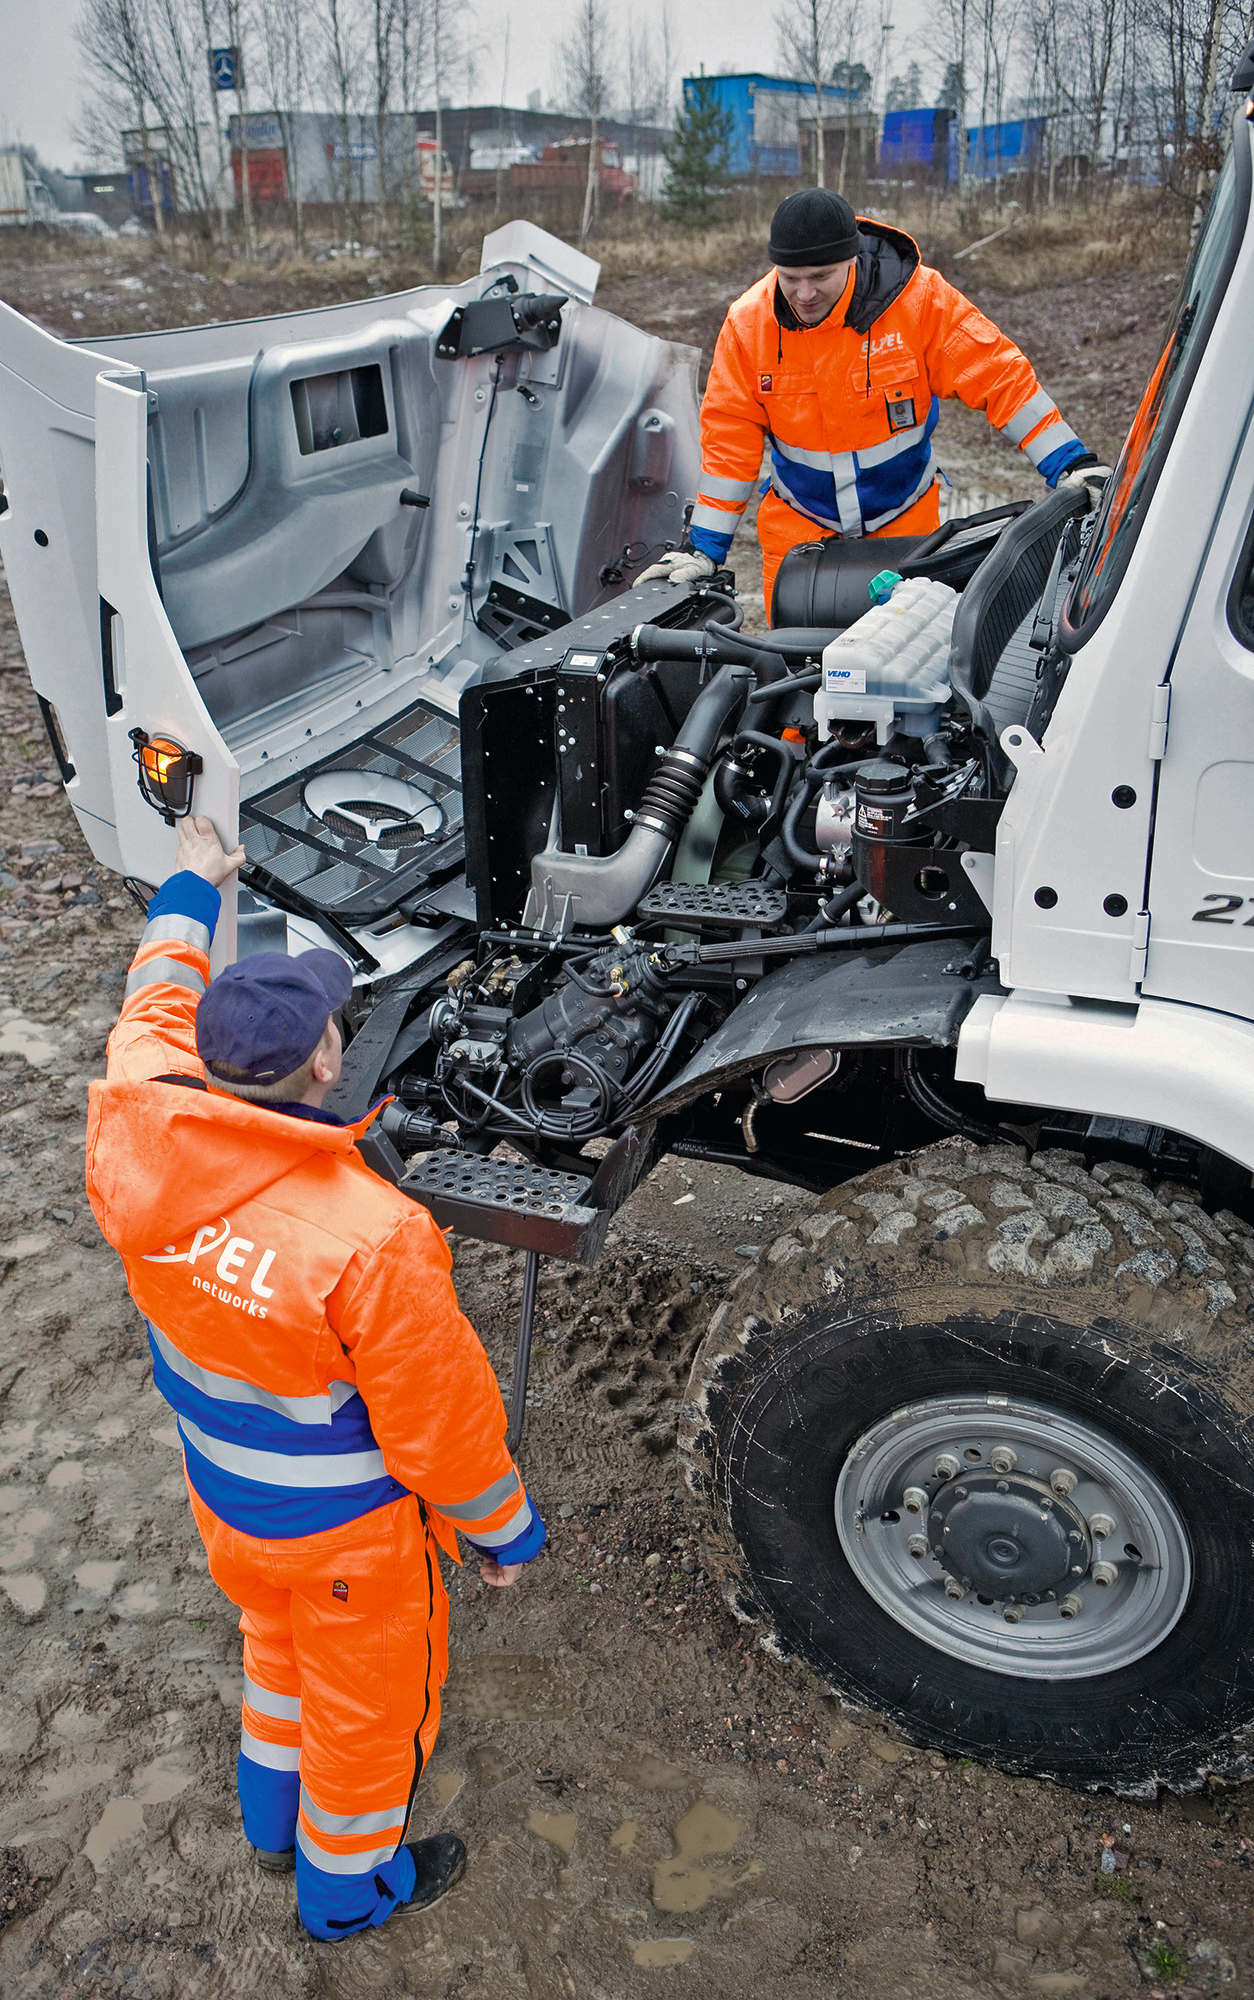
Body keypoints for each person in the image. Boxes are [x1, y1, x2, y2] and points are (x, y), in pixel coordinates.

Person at [85, 813, 545, 1942]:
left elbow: (151, 993)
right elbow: (441, 1423)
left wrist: (196, 882)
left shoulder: (140, 1127)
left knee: (276, 1655)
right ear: (329, 1060)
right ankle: (350, 1891)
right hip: (352, 1537)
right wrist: (504, 1530)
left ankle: (267, 1818)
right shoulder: (365, 1232)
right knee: (369, 1716)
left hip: (232, 1506)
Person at [639, 188, 1109, 618]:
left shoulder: (921, 302)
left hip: (904, 523)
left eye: (820, 276)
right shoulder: (748, 324)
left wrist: (1071, 463)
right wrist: (704, 548)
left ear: (853, 260)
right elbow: (728, 441)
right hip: (799, 530)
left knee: (904, 670)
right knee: (795, 679)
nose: (804, 294)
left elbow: (1000, 376)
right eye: (790, 278)